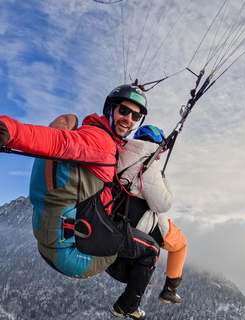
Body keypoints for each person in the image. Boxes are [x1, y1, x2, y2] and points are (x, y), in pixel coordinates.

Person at [0, 83, 160, 320]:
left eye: (136, 116)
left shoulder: (104, 137)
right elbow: (59, 142)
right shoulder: (101, 141)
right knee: (151, 251)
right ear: (110, 109)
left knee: (129, 236)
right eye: (124, 111)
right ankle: (128, 307)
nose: (129, 119)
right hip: (74, 255)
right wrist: (11, 130)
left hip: (50, 241)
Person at [116, 124, 187, 305]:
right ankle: (170, 289)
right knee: (180, 244)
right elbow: (163, 204)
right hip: (140, 220)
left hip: (119, 215)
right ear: (157, 146)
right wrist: (163, 180)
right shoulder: (149, 164)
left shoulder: (120, 155)